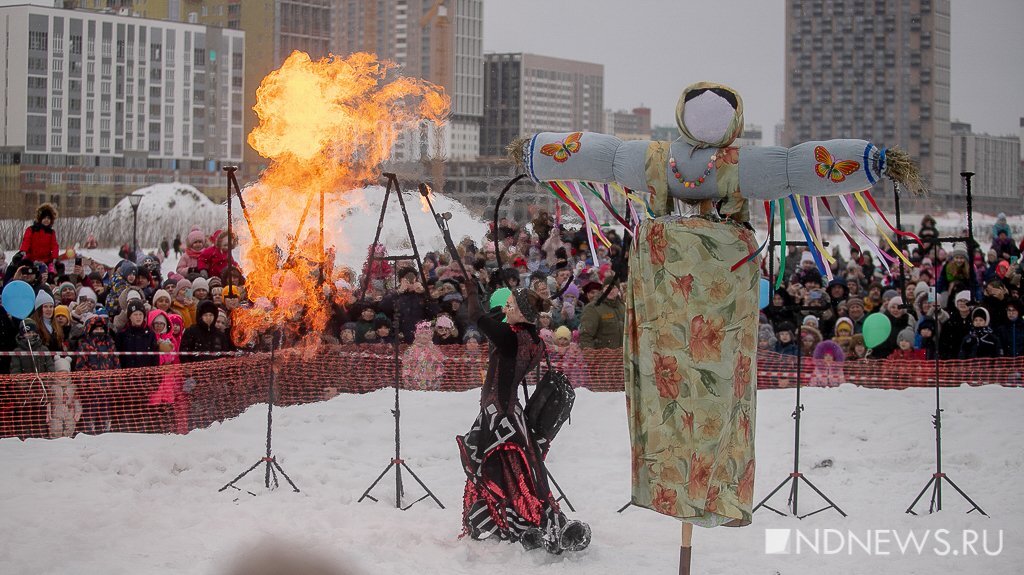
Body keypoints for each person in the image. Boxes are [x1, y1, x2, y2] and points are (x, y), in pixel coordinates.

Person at [456, 281, 590, 553]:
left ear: (523, 313)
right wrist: (499, 303)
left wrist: (470, 291)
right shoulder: (533, 339)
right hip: (506, 414)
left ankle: (536, 523)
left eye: (512, 305)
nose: (506, 307)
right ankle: (518, 523)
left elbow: (477, 317)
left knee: (514, 475)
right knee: (521, 473)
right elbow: (494, 318)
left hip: (500, 417)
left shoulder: (510, 337)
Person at [578, 277, 625, 349]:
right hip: (602, 356)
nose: (610, 290)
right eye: (607, 287)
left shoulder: (622, 307)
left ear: (618, 289)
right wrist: (589, 355)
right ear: (603, 289)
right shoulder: (593, 308)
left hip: (621, 354)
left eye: (614, 287)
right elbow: (586, 336)